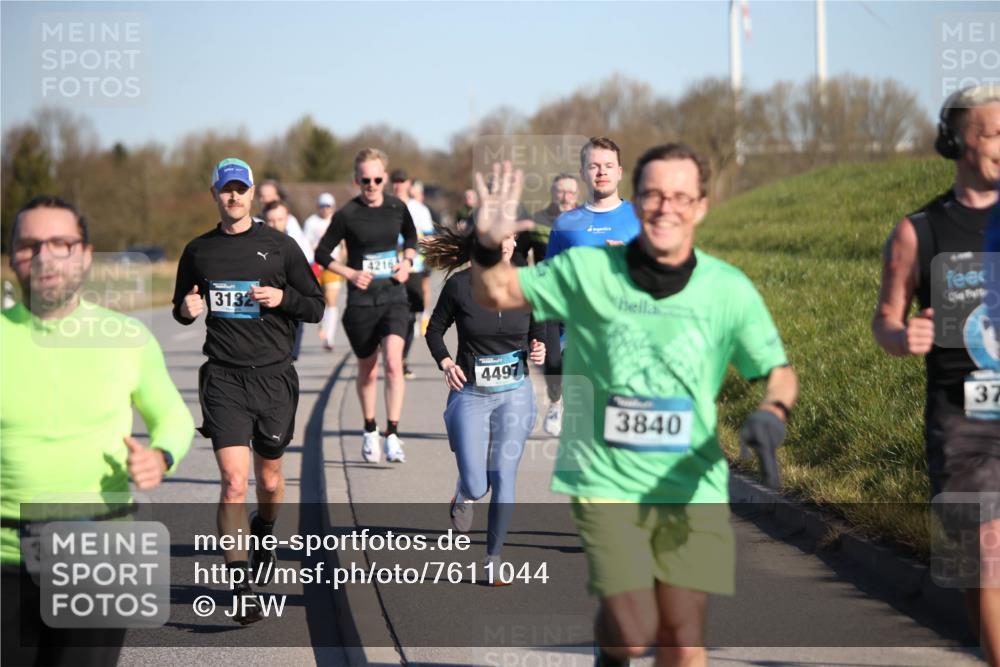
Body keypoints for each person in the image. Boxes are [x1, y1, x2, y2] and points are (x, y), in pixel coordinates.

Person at [469, 147, 798, 666]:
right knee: (631, 626)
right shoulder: (588, 270)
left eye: (680, 197)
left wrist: (772, 411)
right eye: (654, 195)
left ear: (702, 206)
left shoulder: (726, 289)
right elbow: (497, 292)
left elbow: (778, 372)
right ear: (636, 201)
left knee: (683, 635)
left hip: (691, 482)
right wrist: (487, 247)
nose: (666, 207)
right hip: (606, 476)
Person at [1, 195, 193, 665]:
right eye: (29, 246)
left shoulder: (127, 337)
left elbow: (173, 414)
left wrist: (161, 455)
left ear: (85, 255)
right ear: (11, 260)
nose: (45, 256)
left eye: (61, 243)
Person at [872, 84, 1000, 664]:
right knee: (986, 553)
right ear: (955, 141)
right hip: (962, 422)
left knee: (982, 577)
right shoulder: (918, 232)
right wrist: (904, 337)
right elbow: (884, 321)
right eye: (993, 132)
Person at [172, 158, 324, 624]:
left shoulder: (281, 247)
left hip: (275, 378)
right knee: (235, 482)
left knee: (271, 482)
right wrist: (186, 309)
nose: (233, 196)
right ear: (215, 194)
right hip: (224, 379)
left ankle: (267, 527)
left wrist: (285, 300)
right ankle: (240, 586)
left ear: (252, 192)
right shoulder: (199, 251)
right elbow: (182, 307)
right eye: (225, 190)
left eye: (240, 189)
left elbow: (316, 307)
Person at [422, 227, 545, 581]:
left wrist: (538, 345)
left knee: (504, 476)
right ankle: (464, 491)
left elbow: (539, 327)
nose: (506, 243)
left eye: (509, 238)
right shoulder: (460, 286)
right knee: (479, 485)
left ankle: (493, 561)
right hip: (472, 393)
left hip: (515, 393)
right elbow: (434, 330)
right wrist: (446, 363)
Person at [315, 149, 417, 464]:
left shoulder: (397, 207)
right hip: (360, 303)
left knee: (393, 363)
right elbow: (321, 253)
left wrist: (407, 262)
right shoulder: (347, 214)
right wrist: (350, 272)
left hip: (394, 297)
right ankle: (370, 428)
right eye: (365, 179)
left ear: (384, 178)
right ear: (356, 179)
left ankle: (393, 434)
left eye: (376, 179)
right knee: (368, 370)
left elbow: (412, 238)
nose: (371, 185)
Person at [542, 138, 642, 438]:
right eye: (594, 166)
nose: (602, 172)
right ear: (583, 172)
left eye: (608, 166)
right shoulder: (566, 224)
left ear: (620, 172)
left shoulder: (641, 219)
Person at [390, 169, 435, 378]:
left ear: (408, 183)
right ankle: (393, 355)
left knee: (410, 314)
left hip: (413, 267)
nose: (398, 185)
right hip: (388, 269)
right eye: (395, 181)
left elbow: (428, 238)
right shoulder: (384, 206)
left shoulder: (420, 210)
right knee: (390, 313)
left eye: (401, 181)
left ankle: (402, 359)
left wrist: (412, 246)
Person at [263, 199, 315, 361]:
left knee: (287, 356)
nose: (275, 225)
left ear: (287, 219)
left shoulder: (296, 243)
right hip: (264, 307)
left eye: (279, 220)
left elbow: (309, 268)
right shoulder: (255, 244)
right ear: (265, 220)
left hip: (290, 303)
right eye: (270, 220)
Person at [303, 193, 345, 351]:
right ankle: (323, 323)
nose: (325, 209)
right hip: (315, 265)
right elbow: (305, 243)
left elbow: (344, 242)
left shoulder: (338, 220)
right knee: (320, 299)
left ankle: (330, 338)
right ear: (317, 207)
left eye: (328, 206)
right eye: (322, 206)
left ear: (333, 207)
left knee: (331, 299)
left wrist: (342, 256)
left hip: (333, 265)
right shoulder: (311, 222)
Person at [514, 172, 579, 265]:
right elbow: (518, 253)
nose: (566, 198)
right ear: (552, 192)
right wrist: (527, 275)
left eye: (571, 193)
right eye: (560, 192)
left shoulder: (589, 220)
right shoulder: (535, 221)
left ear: (577, 195)